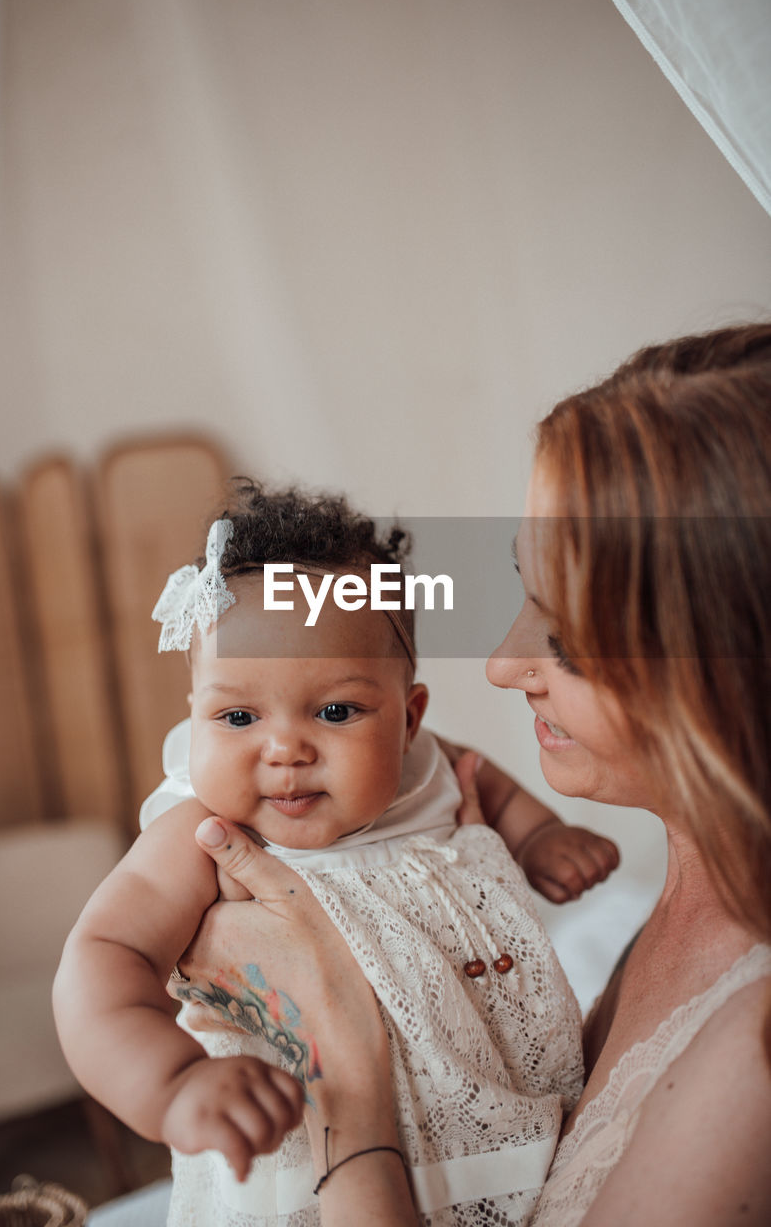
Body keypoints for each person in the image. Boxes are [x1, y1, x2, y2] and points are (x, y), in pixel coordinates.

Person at [174, 325, 771, 1226]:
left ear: (729, 662)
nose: (500, 664)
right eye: (519, 593)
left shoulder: (751, 1062)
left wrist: (344, 1069)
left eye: (564, 636)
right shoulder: (703, 889)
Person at [53, 482, 619, 1227]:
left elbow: (499, 792)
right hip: (307, 1170)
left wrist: (541, 835)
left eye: (335, 711)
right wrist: (173, 1083)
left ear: (408, 719)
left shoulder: (430, 772)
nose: (284, 748)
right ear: (192, 711)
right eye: (237, 715)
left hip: (498, 1133)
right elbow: (102, 955)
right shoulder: (201, 834)